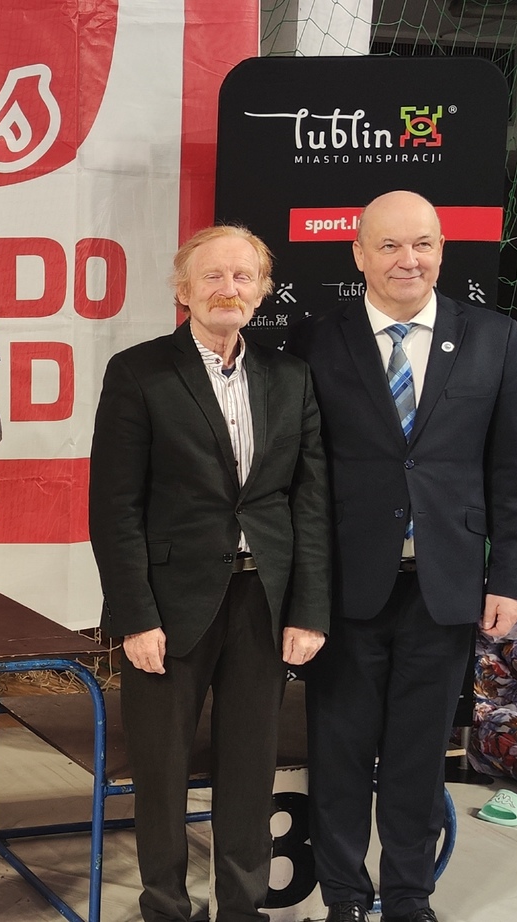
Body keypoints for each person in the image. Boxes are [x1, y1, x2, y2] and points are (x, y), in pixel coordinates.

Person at [285, 191, 517, 922]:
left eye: (422, 243)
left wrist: (510, 576)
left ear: (442, 250)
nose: (408, 259)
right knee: (338, 753)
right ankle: (343, 897)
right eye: (390, 245)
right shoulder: (314, 340)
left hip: (446, 588)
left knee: (419, 757)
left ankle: (407, 896)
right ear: (358, 254)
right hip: (345, 589)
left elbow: (513, 469)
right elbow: (298, 475)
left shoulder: (492, 336)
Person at [91, 225, 331, 922]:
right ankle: (166, 907)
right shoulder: (138, 373)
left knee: (251, 769)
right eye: (213, 276)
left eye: (243, 276)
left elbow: (310, 503)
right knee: (161, 772)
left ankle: (241, 909)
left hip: (264, 600)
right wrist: (135, 616)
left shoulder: (291, 378)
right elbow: (114, 507)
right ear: (183, 288)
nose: (229, 289)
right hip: (168, 607)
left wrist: (309, 609)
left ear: (263, 290)